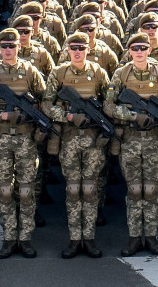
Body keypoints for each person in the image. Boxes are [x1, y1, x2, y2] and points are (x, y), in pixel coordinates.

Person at [0, 28, 46, 259]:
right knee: (4, 191)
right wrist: (2, 116)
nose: (7, 50)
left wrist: (31, 113)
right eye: (3, 46)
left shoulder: (31, 71)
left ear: (18, 47)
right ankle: (9, 237)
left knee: (25, 191)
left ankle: (25, 238)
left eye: (11, 46)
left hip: (25, 139)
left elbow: (44, 101)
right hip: (2, 139)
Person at [42, 32, 110, 259]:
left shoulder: (99, 73)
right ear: (68, 50)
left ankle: (89, 239)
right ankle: (74, 239)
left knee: (89, 190)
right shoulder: (58, 73)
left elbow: (108, 105)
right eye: (74, 48)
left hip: (92, 140)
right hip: (69, 138)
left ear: (88, 49)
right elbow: (46, 105)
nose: (78, 51)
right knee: (72, 190)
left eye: (81, 47)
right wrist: (68, 117)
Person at [107, 33, 158, 257]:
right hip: (131, 140)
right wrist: (132, 116)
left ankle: (151, 237)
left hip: (153, 140)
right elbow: (109, 106)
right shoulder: (121, 74)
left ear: (149, 50)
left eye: (143, 48)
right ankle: (135, 237)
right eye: (136, 48)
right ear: (129, 51)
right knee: (134, 190)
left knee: (152, 190)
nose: (140, 52)